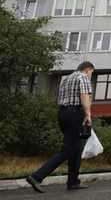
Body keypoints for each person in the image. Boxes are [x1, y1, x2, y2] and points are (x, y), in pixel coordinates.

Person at [26, 61, 95, 193]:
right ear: (87, 69)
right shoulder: (83, 77)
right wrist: (88, 114)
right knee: (68, 150)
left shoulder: (66, 79)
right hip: (75, 113)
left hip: (63, 113)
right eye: (92, 72)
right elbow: (84, 96)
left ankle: (73, 182)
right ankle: (36, 177)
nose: (91, 75)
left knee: (76, 148)